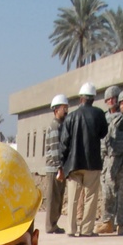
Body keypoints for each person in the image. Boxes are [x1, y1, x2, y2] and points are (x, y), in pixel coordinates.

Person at [58, 81, 108, 237]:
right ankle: (86, 230)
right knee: (91, 197)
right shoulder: (99, 114)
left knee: (73, 197)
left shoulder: (71, 117)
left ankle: (71, 229)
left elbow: (64, 143)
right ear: (93, 99)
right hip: (92, 163)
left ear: (81, 98)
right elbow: (103, 133)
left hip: (74, 164)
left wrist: (62, 164)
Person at [96, 87, 123, 234]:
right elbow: (105, 140)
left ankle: (120, 224)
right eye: (122, 103)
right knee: (108, 194)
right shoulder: (112, 119)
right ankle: (108, 222)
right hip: (110, 161)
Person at [43, 94, 70, 234]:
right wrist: (60, 167)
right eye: (63, 108)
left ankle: (54, 224)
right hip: (54, 168)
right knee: (53, 199)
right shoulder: (55, 126)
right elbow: (55, 150)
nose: (66, 111)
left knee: (58, 198)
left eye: (66, 108)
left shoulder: (61, 125)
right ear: (56, 110)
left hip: (59, 167)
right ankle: (50, 226)